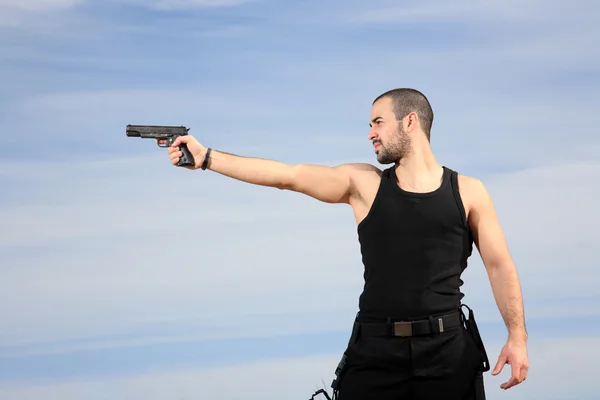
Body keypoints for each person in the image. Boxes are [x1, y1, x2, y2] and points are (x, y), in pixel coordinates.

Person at [163, 88, 529, 399]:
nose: (370, 133)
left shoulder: (468, 191)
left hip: (448, 354)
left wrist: (517, 336)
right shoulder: (364, 185)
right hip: (375, 354)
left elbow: (499, 266)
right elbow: (287, 177)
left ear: (411, 122)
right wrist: (208, 158)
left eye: (377, 122)